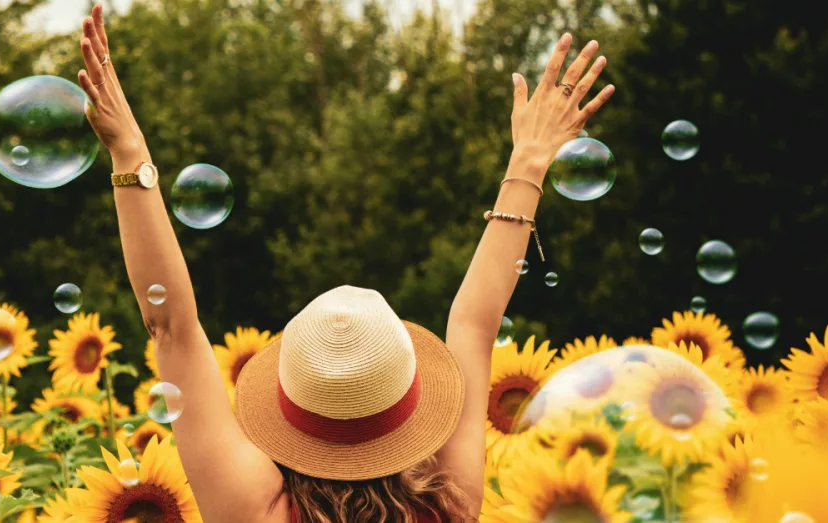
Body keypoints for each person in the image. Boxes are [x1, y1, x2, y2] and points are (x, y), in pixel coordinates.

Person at [75, 4, 613, 522]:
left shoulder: (253, 511)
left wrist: (130, 153)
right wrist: (529, 160)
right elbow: (475, 322)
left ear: (291, 405)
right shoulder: (449, 504)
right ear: (409, 406)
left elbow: (172, 327)